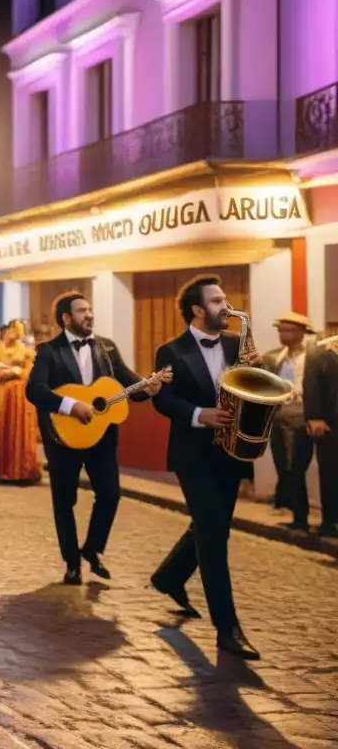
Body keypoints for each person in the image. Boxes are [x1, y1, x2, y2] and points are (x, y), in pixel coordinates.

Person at [148, 275, 262, 660]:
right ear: (198, 310)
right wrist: (200, 414)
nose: (226, 307)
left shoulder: (236, 343)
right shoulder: (171, 350)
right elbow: (163, 401)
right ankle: (227, 629)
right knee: (214, 535)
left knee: (209, 524)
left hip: (230, 454)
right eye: (217, 301)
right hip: (192, 455)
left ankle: (168, 577)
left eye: (225, 299)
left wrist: (259, 374)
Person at [26, 293, 160, 584]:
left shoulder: (106, 348)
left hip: (102, 436)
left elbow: (126, 383)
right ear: (66, 318)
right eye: (81, 311)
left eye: (90, 309)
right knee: (65, 501)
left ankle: (92, 548)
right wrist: (70, 406)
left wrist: (148, 386)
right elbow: (34, 390)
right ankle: (71, 562)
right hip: (64, 438)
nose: (89, 314)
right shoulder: (49, 351)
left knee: (110, 493)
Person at [261, 312, 315, 526]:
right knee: (282, 463)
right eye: (281, 330)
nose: (284, 334)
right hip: (279, 414)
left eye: (289, 330)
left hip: (303, 413)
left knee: (297, 464)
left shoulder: (313, 355)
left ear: (302, 332)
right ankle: (292, 510)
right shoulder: (275, 357)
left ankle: (301, 517)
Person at [0, 320, 41, 485]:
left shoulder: (26, 351)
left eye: (17, 331)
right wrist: (2, 372)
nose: (13, 333)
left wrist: (18, 372)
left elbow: (31, 371)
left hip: (20, 395)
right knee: (1, 428)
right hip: (1, 395)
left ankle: (21, 470)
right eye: (11, 329)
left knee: (19, 429)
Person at [304, 332, 338, 537]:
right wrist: (314, 416)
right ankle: (330, 522)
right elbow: (311, 384)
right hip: (331, 423)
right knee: (331, 471)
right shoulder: (323, 350)